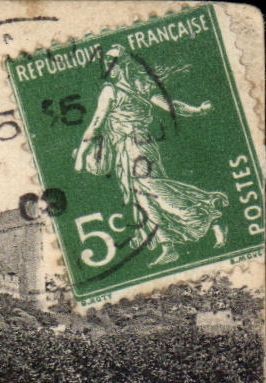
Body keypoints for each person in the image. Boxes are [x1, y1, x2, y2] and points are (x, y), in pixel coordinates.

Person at [73, 46, 229, 266]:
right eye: (107, 64)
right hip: (130, 149)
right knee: (143, 197)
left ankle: (209, 212)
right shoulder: (133, 87)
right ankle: (169, 245)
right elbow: (98, 124)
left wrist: (80, 156)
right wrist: (196, 110)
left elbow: (97, 124)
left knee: (153, 190)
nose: (109, 68)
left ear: (124, 64)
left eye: (113, 63)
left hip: (136, 148)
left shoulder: (117, 90)